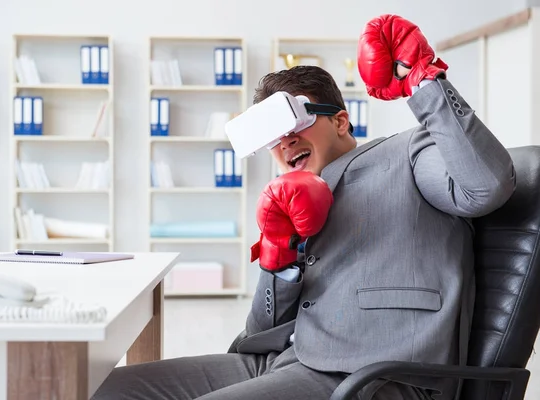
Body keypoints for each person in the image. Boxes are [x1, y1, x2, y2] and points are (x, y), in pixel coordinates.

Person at [91, 14, 516, 400]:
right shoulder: (290, 198)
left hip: (373, 375)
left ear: (341, 121)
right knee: (103, 388)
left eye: (294, 122)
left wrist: (423, 79)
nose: (286, 142)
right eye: (273, 137)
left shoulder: (406, 153)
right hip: (286, 358)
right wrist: (279, 257)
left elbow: (486, 186)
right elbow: (261, 331)